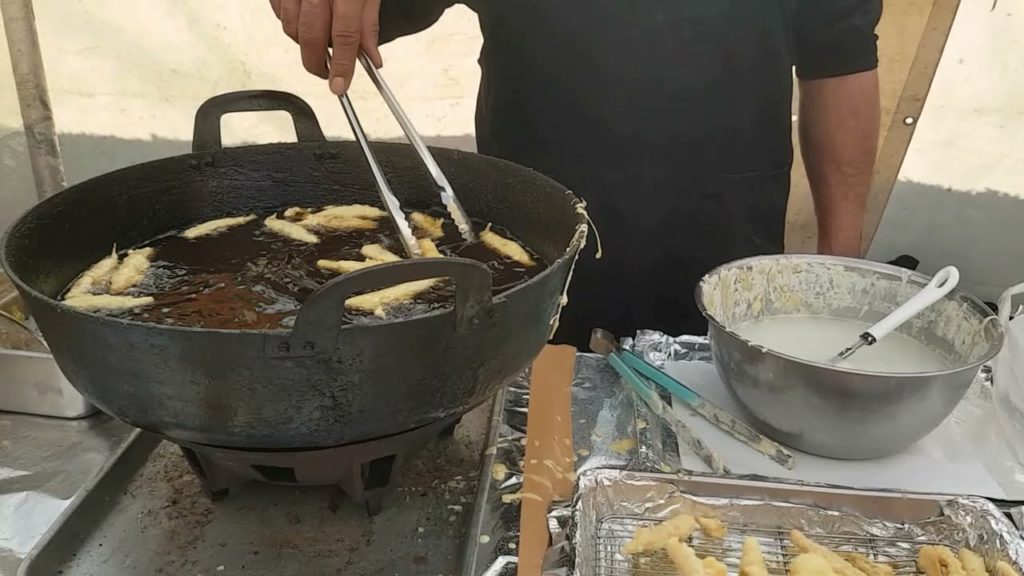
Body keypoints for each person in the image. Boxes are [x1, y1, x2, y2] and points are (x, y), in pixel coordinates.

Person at [269, 0, 882, 348]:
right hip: (532, 241)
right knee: (528, 455)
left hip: (722, 234)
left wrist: (842, 267)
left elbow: (842, 56)